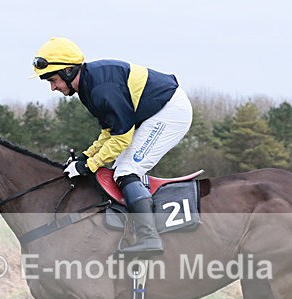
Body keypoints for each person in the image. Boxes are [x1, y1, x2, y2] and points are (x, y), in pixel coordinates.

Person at [32, 37, 193, 256]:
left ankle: (149, 238)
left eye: (53, 80)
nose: (53, 88)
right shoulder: (88, 86)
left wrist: (88, 165)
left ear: (68, 71)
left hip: (169, 113)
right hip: (154, 112)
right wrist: (86, 156)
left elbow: (121, 139)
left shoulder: (101, 89)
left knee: (126, 170)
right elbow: (109, 132)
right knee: (119, 169)